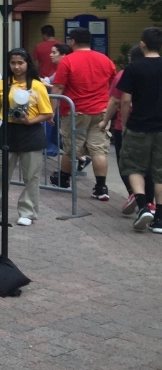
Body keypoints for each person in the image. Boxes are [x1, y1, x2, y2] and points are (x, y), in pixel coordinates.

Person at [0, 49, 54, 227]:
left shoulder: (37, 86)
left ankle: (28, 212)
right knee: (1, 174)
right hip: (7, 132)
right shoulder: (2, 85)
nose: (16, 66)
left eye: (20, 63)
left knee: (31, 176)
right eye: (13, 63)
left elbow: (47, 113)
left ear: (28, 64)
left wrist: (30, 120)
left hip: (31, 134)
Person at [51, 27, 115, 200]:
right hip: (101, 111)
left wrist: (52, 111)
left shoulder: (68, 60)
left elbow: (58, 87)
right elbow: (113, 84)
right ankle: (101, 188)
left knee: (71, 148)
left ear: (72, 41)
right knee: (99, 150)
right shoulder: (105, 60)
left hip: (75, 111)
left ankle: (63, 179)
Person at [115, 28, 162, 232]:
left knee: (134, 167)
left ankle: (143, 206)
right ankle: (159, 218)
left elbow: (125, 100)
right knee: (159, 171)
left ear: (142, 44)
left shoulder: (134, 67)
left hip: (139, 125)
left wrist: (125, 123)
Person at [100, 45, 145, 215]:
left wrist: (105, 121)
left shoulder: (124, 75)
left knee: (125, 163)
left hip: (125, 125)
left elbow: (116, 101)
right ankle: (148, 201)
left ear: (130, 58)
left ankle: (134, 194)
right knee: (148, 165)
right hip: (151, 125)